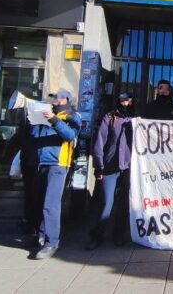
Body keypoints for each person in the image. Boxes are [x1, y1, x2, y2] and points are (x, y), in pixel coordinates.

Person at [31, 89, 82, 259]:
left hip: (58, 164)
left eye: (60, 98)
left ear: (67, 100)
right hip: (42, 162)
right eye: (55, 98)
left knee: (50, 203)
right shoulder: (48, 113)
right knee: (40, 202)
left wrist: (53, 121)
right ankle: (42, 235)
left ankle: (51, 242)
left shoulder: (72, 116)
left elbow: (70, 136)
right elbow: (34, 136)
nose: (56, 101)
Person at [87, 92, 134, 249]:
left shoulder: (136, 120)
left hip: (128, 166)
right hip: (110, 165)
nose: (124, 102)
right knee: (106, 201)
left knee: (123, 203)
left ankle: (119, 234)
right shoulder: (110, 117)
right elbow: (100, 141)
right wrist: (98, 164)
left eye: (126, 100)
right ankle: (97, 234)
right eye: (121, 99)